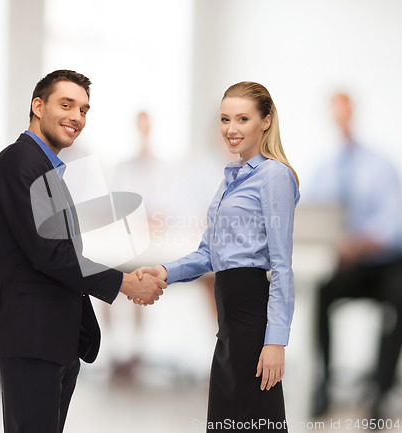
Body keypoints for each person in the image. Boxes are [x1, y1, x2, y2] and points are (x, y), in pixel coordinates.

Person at [0, 70, 166, 433]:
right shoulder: (21, 164)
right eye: (66, 105)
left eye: (83, 110)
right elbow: (48, 254)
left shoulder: (46, 169)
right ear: (38, 106)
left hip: (52, 339)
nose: (76, 117)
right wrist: (124, 283)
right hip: (32, 339)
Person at [135, 82, 300, 432]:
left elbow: (282, 265)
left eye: (243, 118)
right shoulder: (230, 179)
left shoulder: (274, 176)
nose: (231, 128)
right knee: (226, 421)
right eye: (225, 119)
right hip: (228, 322)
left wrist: (275, 341)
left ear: (266, 121)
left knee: (255, 421)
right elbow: (210, 253)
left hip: (251, 318)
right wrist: (166, 270)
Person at [309, 93, 402, 420]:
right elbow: (313, 219)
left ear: (353, 113)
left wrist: (360, 243)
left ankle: (380, 390)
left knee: (399, 298)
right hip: (346, 265)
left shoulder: (381, 165)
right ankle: (322, 385)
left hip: (384, 264)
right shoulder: (323, 169)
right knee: (316, 293)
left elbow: (394, 225)